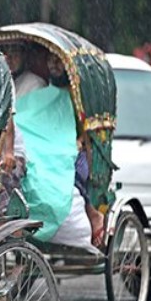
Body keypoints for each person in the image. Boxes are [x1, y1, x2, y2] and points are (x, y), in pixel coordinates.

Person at [47, 53, 105, 247]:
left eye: (58, 62)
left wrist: (78, 141)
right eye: (51, 61)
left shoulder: (77, 95)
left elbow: (87, 128)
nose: (54, 66)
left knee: (73, 172)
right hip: (52, 148)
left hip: (78, 148)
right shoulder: (45, 92)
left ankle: (91, 211)